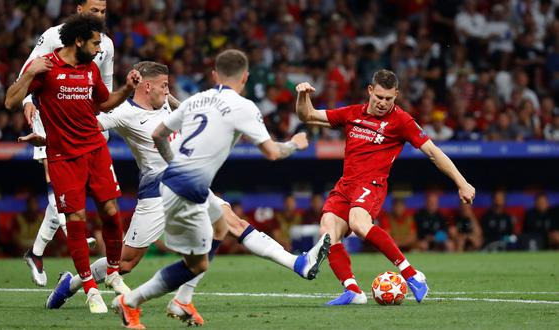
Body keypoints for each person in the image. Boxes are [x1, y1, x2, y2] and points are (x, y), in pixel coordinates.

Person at [37, 61, 328, 326]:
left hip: (187, 181)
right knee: (124, 263)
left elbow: (187, 113)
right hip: (155, 192)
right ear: (147, 86)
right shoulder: (124, 113)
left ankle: (296, 263)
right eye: (163, 85)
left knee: (230, 222)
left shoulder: (167, 105)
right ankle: (73, 283)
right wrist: (46, 136)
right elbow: (86, 127)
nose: (168, 89)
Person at [295, 69, 475, 305]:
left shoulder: (401, 120)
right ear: (370, 91)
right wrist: (302, 94)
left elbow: (433, 152)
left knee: (359, 223)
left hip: (372, 183)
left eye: (389, 99)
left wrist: (462, 182)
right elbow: (307, 116)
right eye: (379, 97)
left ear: (396, 95)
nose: (382, 103)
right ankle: (353, 291)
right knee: (327, 231)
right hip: (346, 184)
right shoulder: (351, 114)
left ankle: (412, 275)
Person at [5, 14, 142, 313]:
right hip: (63, 156)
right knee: (76, 219)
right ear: (78, 41)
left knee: (110, 211)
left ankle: (114, 273)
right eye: (95, 43)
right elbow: (10, 101)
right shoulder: (45, 66)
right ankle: (90, 289)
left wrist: (128, 89)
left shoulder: (90, 68)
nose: (98, 49)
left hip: (95, 150)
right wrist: (29, 75)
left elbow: (103, 104)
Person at [18, 0, 114, 288]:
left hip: (85, 123)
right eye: (95, 10)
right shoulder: (52, 36)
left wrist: (103, 120)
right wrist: (26, 101)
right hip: (49, 118)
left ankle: (35, 253)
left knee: (70, 190)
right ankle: (68, 227)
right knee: (58, 185)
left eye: (104, 11)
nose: (100, 16)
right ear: (79, 8)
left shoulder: (105, 44)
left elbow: (105, 86)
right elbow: (28, 71)